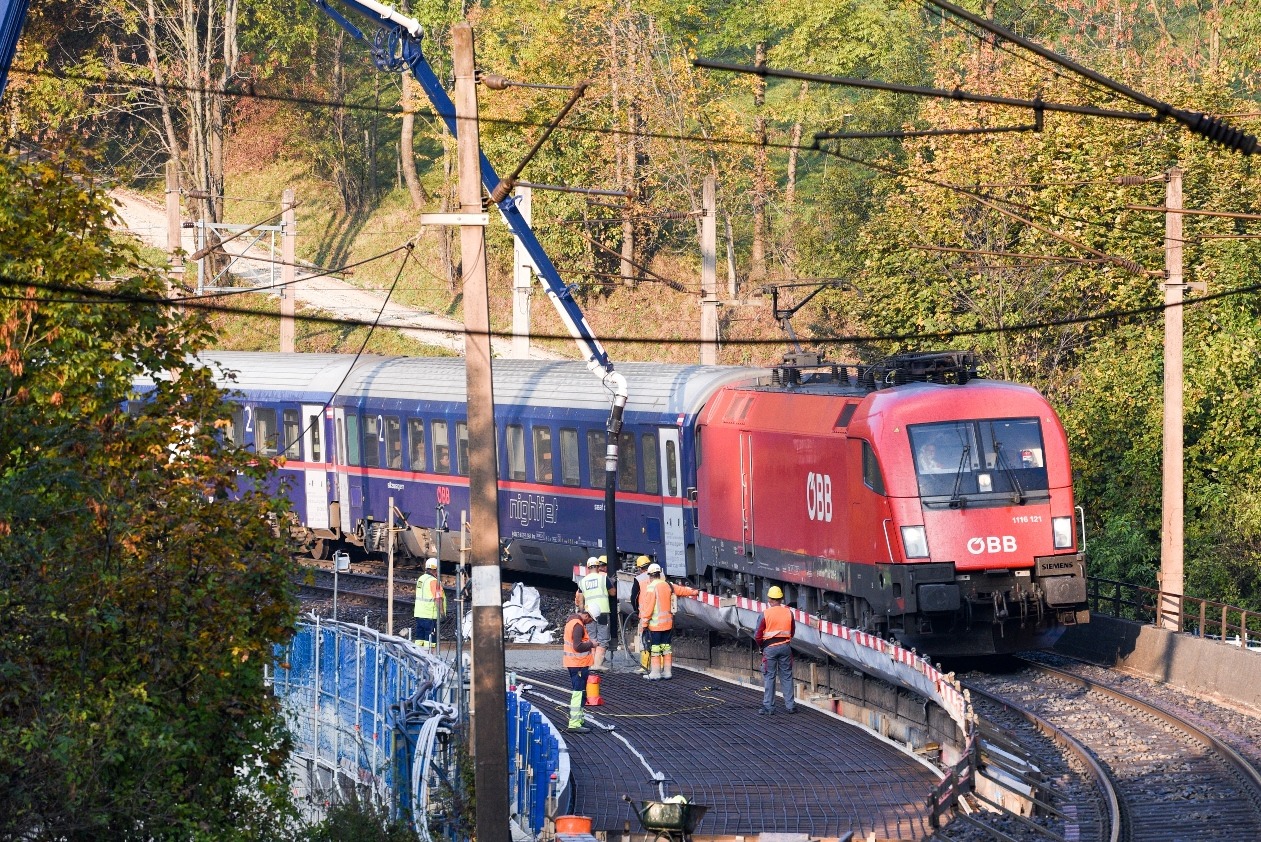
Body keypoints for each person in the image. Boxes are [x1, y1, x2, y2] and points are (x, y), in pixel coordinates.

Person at [637, 563, 699, 680]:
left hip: (655, 625)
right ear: (659, 574)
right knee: (666, 648)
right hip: (668, 624)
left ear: (649, 575)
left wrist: (644, 624)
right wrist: (695, 592)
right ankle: (667, 672)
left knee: (655, 649)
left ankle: (655, 673)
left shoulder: (651, 587)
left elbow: (648, 608)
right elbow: (681, 590)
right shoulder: (667, 585)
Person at [754, 585, 796, 715]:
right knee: (787, 676)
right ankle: (790, 706)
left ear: (770, 600)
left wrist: (762, 646)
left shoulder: (765, 614)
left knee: (770, 676)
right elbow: (792, 631)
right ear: (781, 599)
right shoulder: (789, 612)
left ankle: (769, 707)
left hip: (770, 649)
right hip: (785, 647)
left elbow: (757, 635)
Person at [575, 556, 615, 671]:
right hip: (602, 612)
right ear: (598, 567)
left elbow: (581, 601)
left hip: (588, 614)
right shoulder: (603, 578)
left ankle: (592, 663)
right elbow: (612, 593)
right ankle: (598, 664)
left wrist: (583, 613)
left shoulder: (582, 581)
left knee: (592, 637)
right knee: (603, 639)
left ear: (588, 568)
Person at [563, 608, 596, 733]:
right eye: (591, 619)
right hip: (578, 664)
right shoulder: (577, 625)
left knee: (581, 693)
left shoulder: (573, 622)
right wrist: (592, 644)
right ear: (586, 615)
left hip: (576, 664)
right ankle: (575, 723)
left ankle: (579, 720)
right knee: (578, 693)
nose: (591, 622)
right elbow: (577, 646)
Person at [413, 558, 446, 651]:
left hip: (419, 614)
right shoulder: (434, 582)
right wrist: (442, 614)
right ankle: (429, 659)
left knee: (419, 639)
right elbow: (438, 598)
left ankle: (417, 657)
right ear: (435, 569)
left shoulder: (421, 579)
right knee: (430, 640)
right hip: (430, 616)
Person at [629, 555, 654, 672]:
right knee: (659, 642)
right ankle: (660, 666)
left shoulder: (639, 579)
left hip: (644, 614)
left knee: (645, 640)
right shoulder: (661, 575)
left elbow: (634, 597)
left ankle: (645, 666)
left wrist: (636, 610)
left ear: (640, 568)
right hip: (659, 613)